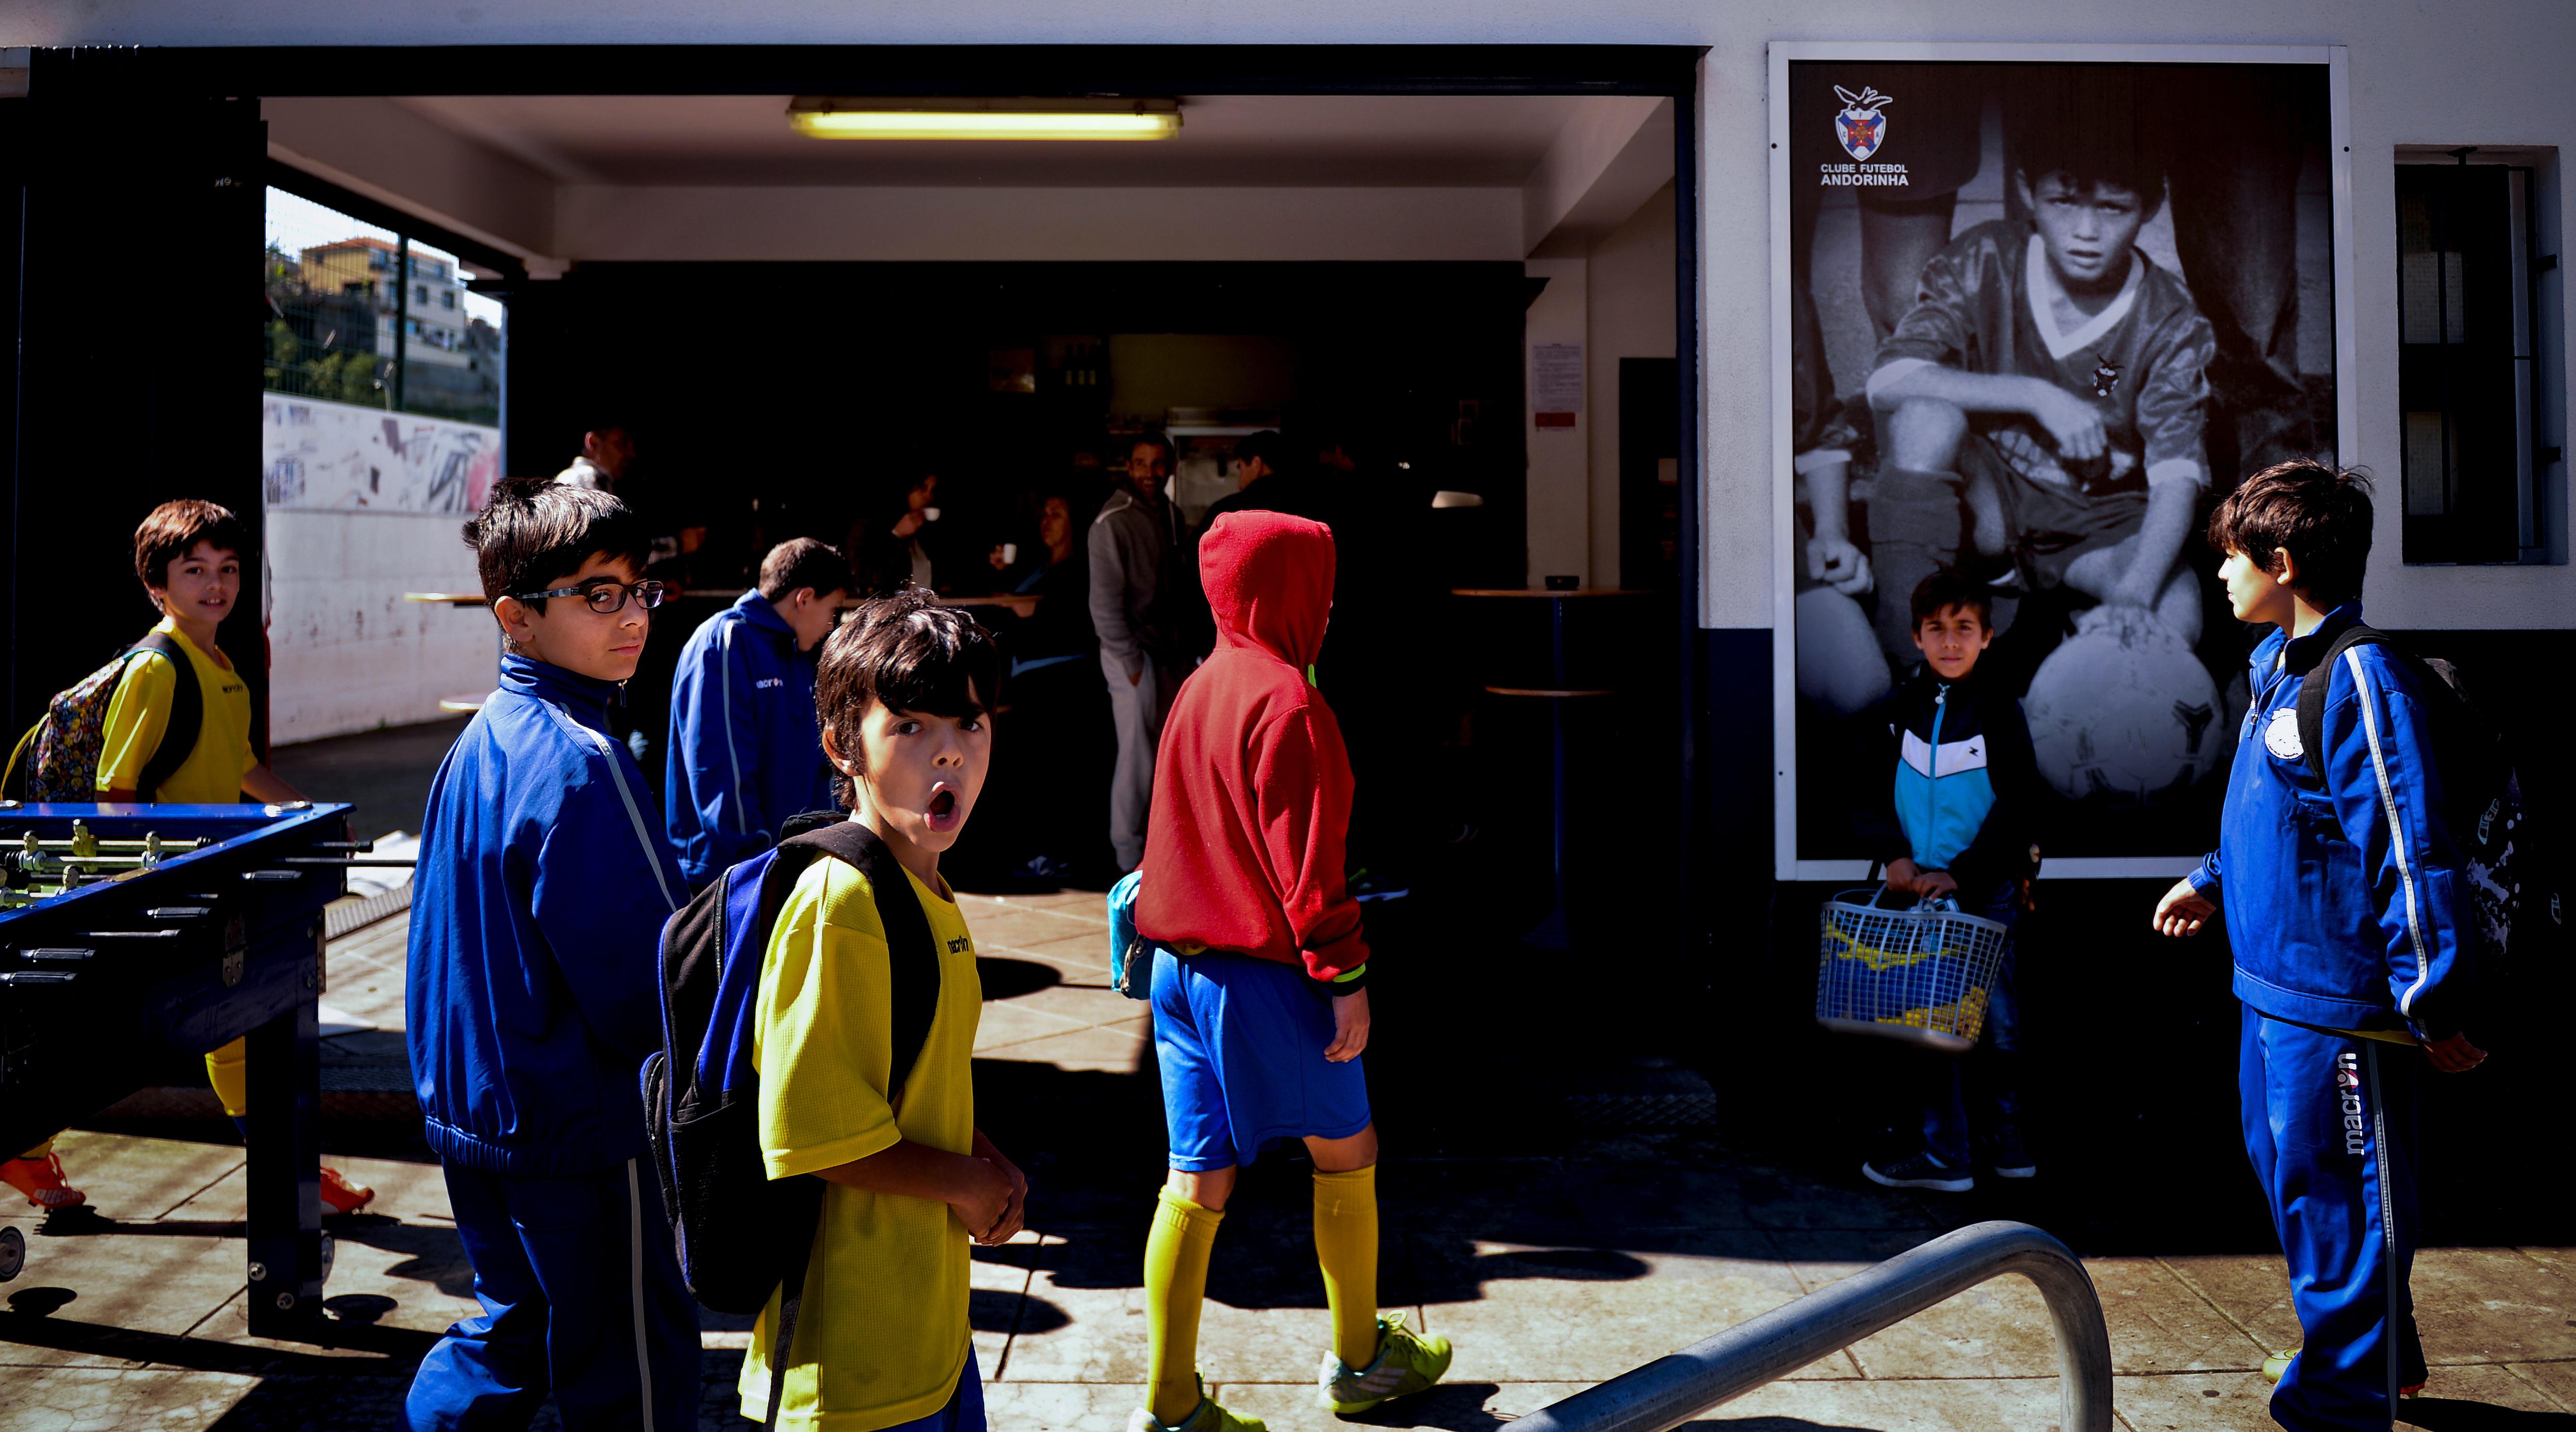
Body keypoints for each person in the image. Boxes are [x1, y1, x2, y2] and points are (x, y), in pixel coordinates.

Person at [2153, 462, 2484, 1429]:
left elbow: (2407, 846)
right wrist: (2213, 879)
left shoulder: (2360, 679)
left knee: (2345, 1199)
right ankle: (2378, 1354)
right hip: (2273, 990)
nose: (2221, 574)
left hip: (2342, 1008)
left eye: (2233, 558)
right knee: (2303, 1187)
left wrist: (2434, 999)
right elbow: (2282, 807)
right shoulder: (2278, 665)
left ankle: (2340, 1399)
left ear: (2284, 564)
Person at [1129, 512, 1451, 1432]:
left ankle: (1172, 1404)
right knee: (1348, 1152)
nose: (1332, 606)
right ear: (1291, 594)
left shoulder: (1199, 687)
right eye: (1323, 587)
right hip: (1265, 978)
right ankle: (1361, 1363)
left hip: (1177, 976)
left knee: (1194, 1185)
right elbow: (1310, 874)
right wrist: (1345, 979)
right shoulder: (1290, 704)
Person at [403, 479, 701, 1431]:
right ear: (516, 617)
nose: (634, 617)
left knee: (517, 1328)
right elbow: (652, 983)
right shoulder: (582, 758)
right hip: (579, 1124)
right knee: (632, 1371)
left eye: (641, 589)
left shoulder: (483, 737)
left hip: (478, 1110)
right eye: (599, 594)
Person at [1, 501, 372, 1218]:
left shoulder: (223, 668)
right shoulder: (158, 668)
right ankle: (24, 1148)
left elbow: (242, 767)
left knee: (241, 1023)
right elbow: (115, 788)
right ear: (156, 586)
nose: (216, 584)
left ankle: (296, 1173)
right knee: (97, 1045)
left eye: (227, 569)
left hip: (204, 878)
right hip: (156, 887)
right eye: (194, 570)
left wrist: (311, 814)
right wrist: (139, 886)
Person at [741, 588, 1026, 1430]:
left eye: (969, 724)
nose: (950, 753)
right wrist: (967, 1185)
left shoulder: (925, 886)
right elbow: (809, 1130)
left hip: (929, 1339)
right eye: (909, 727)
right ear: (843, 746)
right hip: (851, 1367)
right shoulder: (842, 903)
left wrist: (987, 1161)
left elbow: (903, 1082)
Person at [1865, 110, 2217, 674]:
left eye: (2113, 208)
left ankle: (2080, 666)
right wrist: (2036, 395)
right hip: (1987, 504)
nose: (2086, 231)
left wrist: (2131, 595)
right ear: (2028, 192)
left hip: (2094, 519)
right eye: (2064, 202)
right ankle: (1909, 664)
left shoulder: (2168, 318)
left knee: (2174, 612)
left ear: (2151, 206)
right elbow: (1888, 380)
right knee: (1923, 418)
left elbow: (2177, 474)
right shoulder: (1985, 259)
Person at [1851, 568, 2042, 1194]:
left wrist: (1959, 872)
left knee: (2000, 1026)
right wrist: (1893, 856)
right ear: (1915, 637)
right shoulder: (1897, 709)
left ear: (1987, 636)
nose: (1950, 641)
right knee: (1931, 1026)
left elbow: (2017, 807)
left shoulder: (2000, 710)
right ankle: (1945, 1156)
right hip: (1918, 901)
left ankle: (2007, 1145)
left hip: (1982, 893)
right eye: (1936, 629)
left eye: (1964, 628)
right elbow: (1866, 792)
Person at [666, 537, 849, 891]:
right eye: (833, 609)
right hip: (732, 875)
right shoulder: (724, 641)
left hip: (784, 866)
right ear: (804, 598)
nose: (831, 624)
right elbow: (719, 770)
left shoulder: (795, 652)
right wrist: (762, 860)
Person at [986, 490, 1109, 879]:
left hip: (1064, 686)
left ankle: (1062, 855)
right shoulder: (1037, 567)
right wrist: (1003, 577)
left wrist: (1025, 608)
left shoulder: (1082, 568)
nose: (1047, 520)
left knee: (1059, 773)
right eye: (1044, 514)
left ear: (1075, 522)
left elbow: (1064, 618)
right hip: (1031, 685)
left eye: (1057, 513)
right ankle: (1042, 852)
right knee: (1036, 773)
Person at [1090, 434, 1185, 873]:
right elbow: (1105, 605)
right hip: (1131, 655)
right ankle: (1127, 857)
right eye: (1142, 464)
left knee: (1168, 755)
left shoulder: (1171, 514)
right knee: (1136, 760)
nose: (1150, 472)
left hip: (1168, 654)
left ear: (1171, 467)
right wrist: (1130, 664)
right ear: (1128, 468)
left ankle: (1159, 853)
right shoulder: (1112, 521)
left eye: (1158, 463)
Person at [552, 425, 634, 493]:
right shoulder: (576, 478)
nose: (631, 454)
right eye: (622, 444)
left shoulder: (604, 482)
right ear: (593, 443)